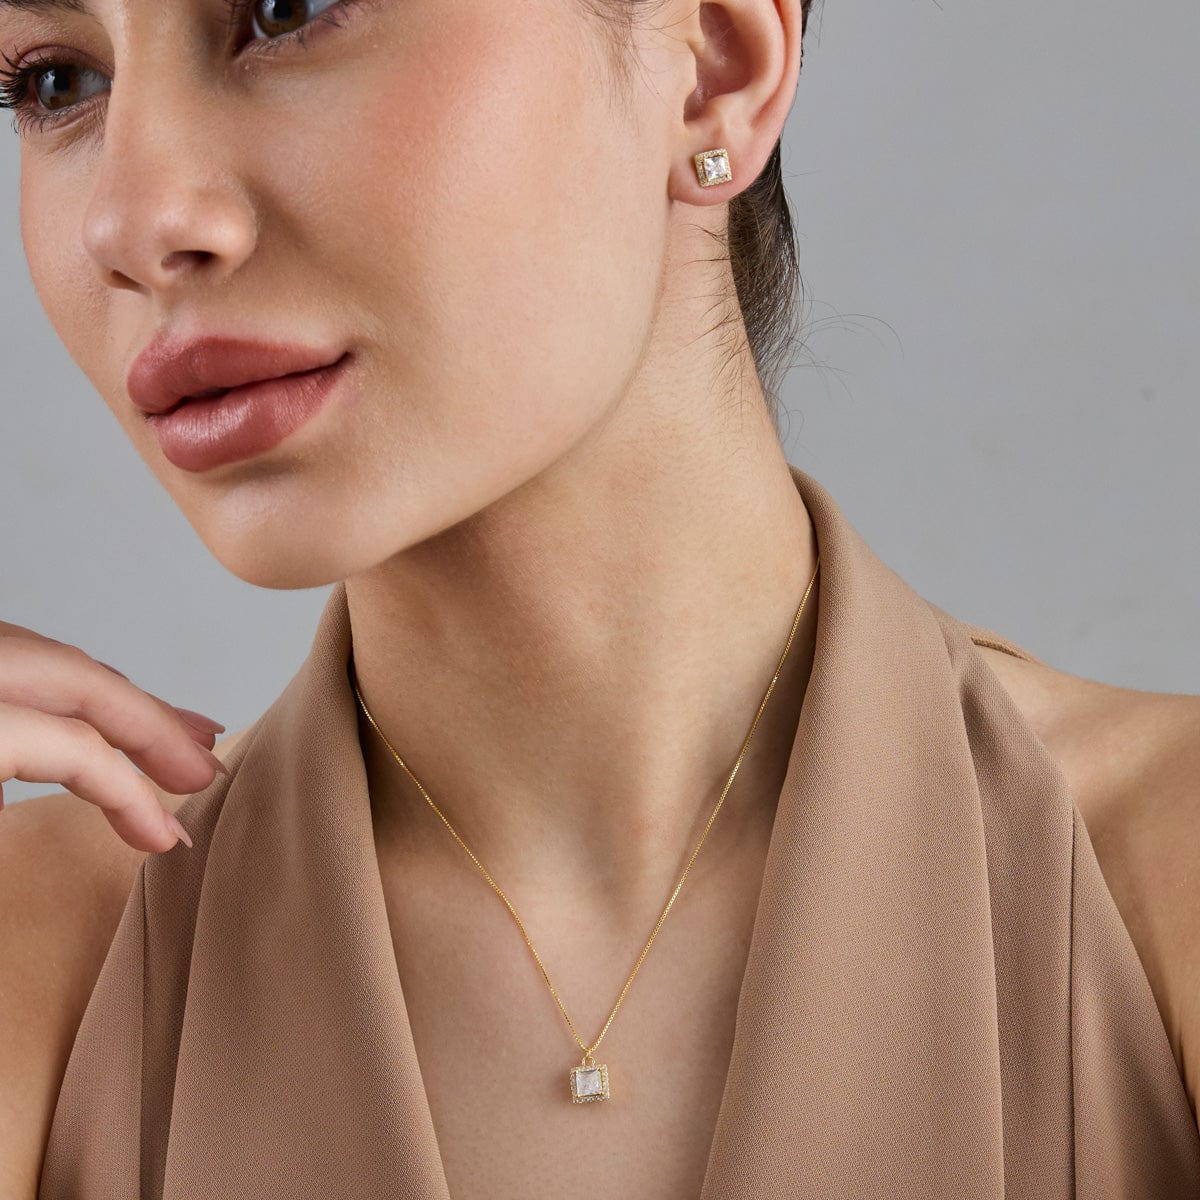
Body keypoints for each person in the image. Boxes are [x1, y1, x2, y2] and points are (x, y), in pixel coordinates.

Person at [0, 0, 1198, 1195]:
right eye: (56, 82)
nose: (130, 222)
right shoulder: (42, 952)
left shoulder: (1160, 866)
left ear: (711, 66)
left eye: (287, 10)